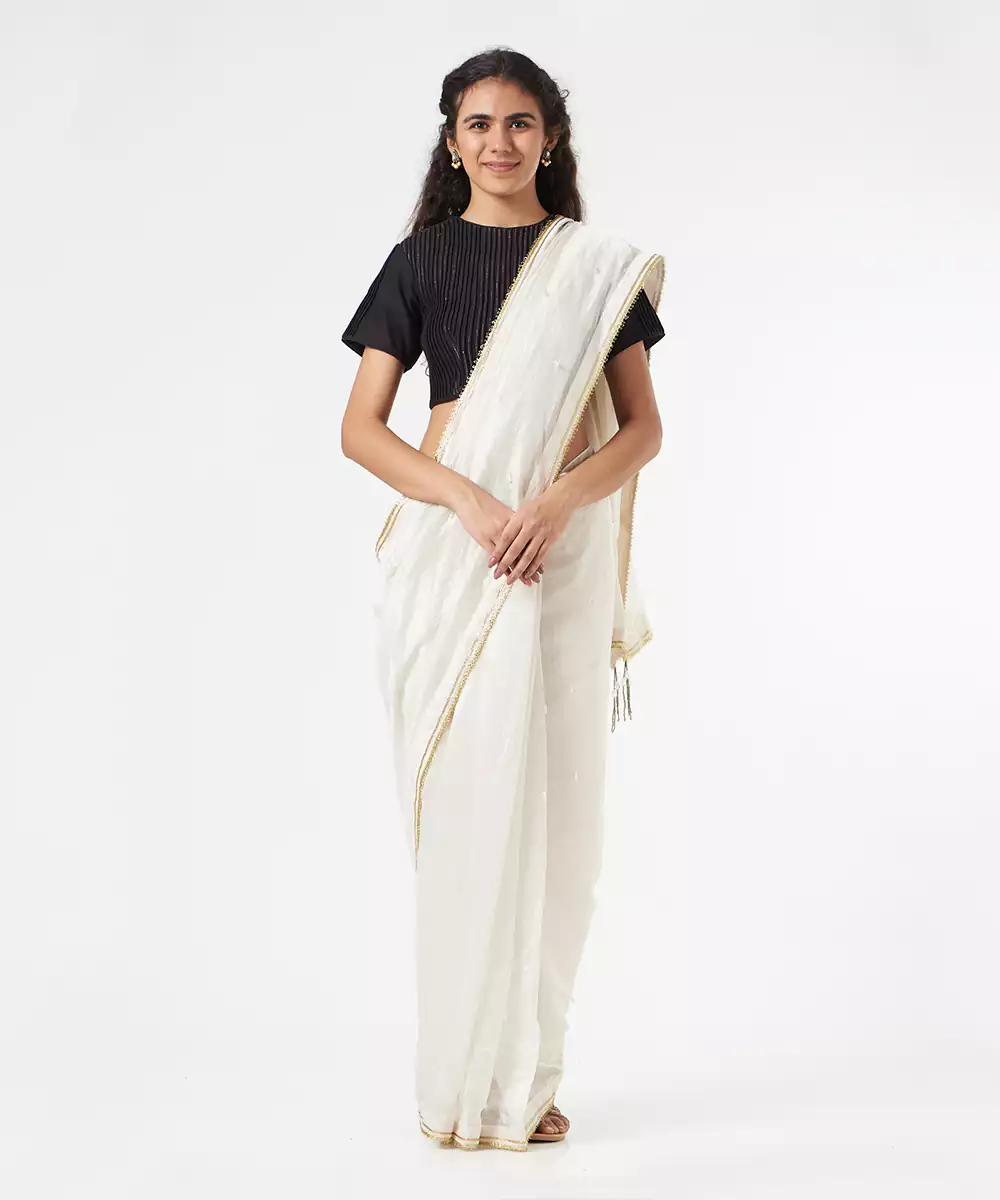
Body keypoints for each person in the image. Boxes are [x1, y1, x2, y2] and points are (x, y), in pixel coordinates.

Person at [340, 47, 666, 1151]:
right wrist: (473, 504)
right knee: (467, 812)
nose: (498, 142)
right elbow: (361, 431)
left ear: (550, 138)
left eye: (520, 123)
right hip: (454, 557)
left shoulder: (595, 274)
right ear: (451, 142)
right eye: (478, 124)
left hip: (554, 561)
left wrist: (557, 503)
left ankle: (528, 1080)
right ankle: (458, 1082)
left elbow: (642, 430)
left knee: (557, 815)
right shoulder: (419, 262)